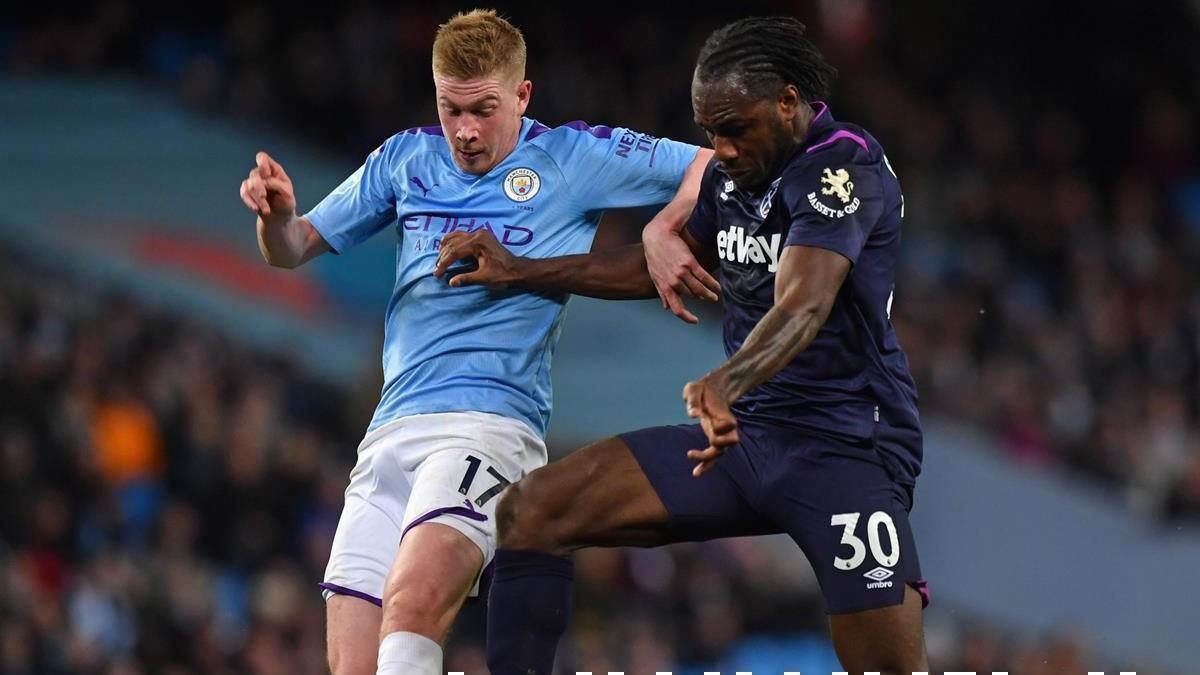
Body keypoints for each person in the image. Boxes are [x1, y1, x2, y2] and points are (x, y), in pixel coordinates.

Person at [434, 16, 929, 675]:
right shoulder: (738, 172)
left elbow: (807, 301)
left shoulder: (844, 166)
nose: (719, 149)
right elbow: (664, 268)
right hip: (741, 440)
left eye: (734, 128)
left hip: (845, 448)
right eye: (709, 133)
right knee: (532, 509)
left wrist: (727, 382)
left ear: (788, 102)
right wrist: (521, 267)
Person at [237, 9, 713, 675]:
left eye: (483, 110)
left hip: (489, 428)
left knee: (413, 605)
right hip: (389, 436)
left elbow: (708, 165)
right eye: (450, 107)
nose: (463, 130)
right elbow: (292, 249)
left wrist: (662, 229)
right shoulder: (405, 158)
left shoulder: (572, 157)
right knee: (355, 664)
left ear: (522, 95)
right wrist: (279, 216)